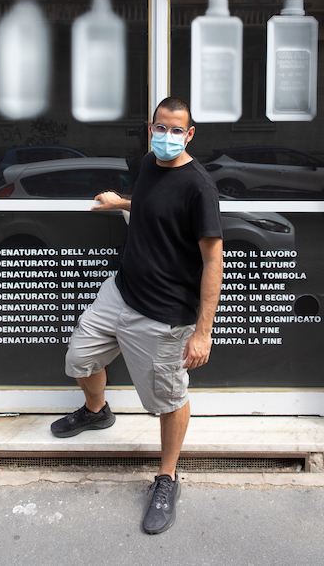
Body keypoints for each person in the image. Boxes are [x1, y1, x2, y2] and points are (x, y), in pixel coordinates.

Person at [50, 97, 223, 534]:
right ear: (151, 128)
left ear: (189, 134)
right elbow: (153, 207)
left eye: (176, 130)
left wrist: (203, 332)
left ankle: (167, 478)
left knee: (168, 399)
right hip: (121, 292)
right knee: (80, 358)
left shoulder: (199, 187)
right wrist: (122, 203)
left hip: (164, 315)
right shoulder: (149, 163)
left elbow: (213, 261)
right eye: (160, 127)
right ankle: (96, 410)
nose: (167, 136)